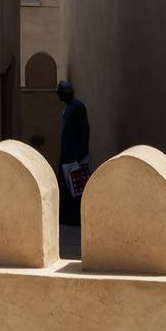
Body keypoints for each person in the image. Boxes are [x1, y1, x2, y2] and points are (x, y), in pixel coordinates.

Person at [57, 79, 90, 226]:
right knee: (68, 187)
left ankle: (75, 218)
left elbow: (84, 129)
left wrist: (81, 154)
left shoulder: (77, 107)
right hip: (67, 154)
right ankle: (69, 218)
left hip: (74, 156)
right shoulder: (69, 107)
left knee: (76, 188)